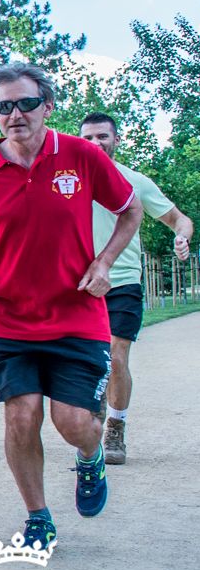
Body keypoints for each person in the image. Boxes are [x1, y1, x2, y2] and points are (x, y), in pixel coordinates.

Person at [0, 63, 141, 552]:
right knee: (21, 415)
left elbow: (130, 209)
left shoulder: (81, 156)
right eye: (4, 106)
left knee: (73, 422)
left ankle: (91, 455)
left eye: (26, 103)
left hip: (77, 317)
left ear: (47, 107)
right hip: (9, 320)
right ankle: (37, 516)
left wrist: (104, 261)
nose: (16, 114)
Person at [78, 112, 193, 464]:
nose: (96, 144)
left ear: (116, 140)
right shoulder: (67, 181)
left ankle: (115, 427)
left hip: (122, 281)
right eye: (89, 138)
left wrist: (181, 237)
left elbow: (179, 219)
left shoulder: (134, 181)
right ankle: (89, 422)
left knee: (115, 357)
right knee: (84, 362)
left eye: (103, 137)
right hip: (77, 285)